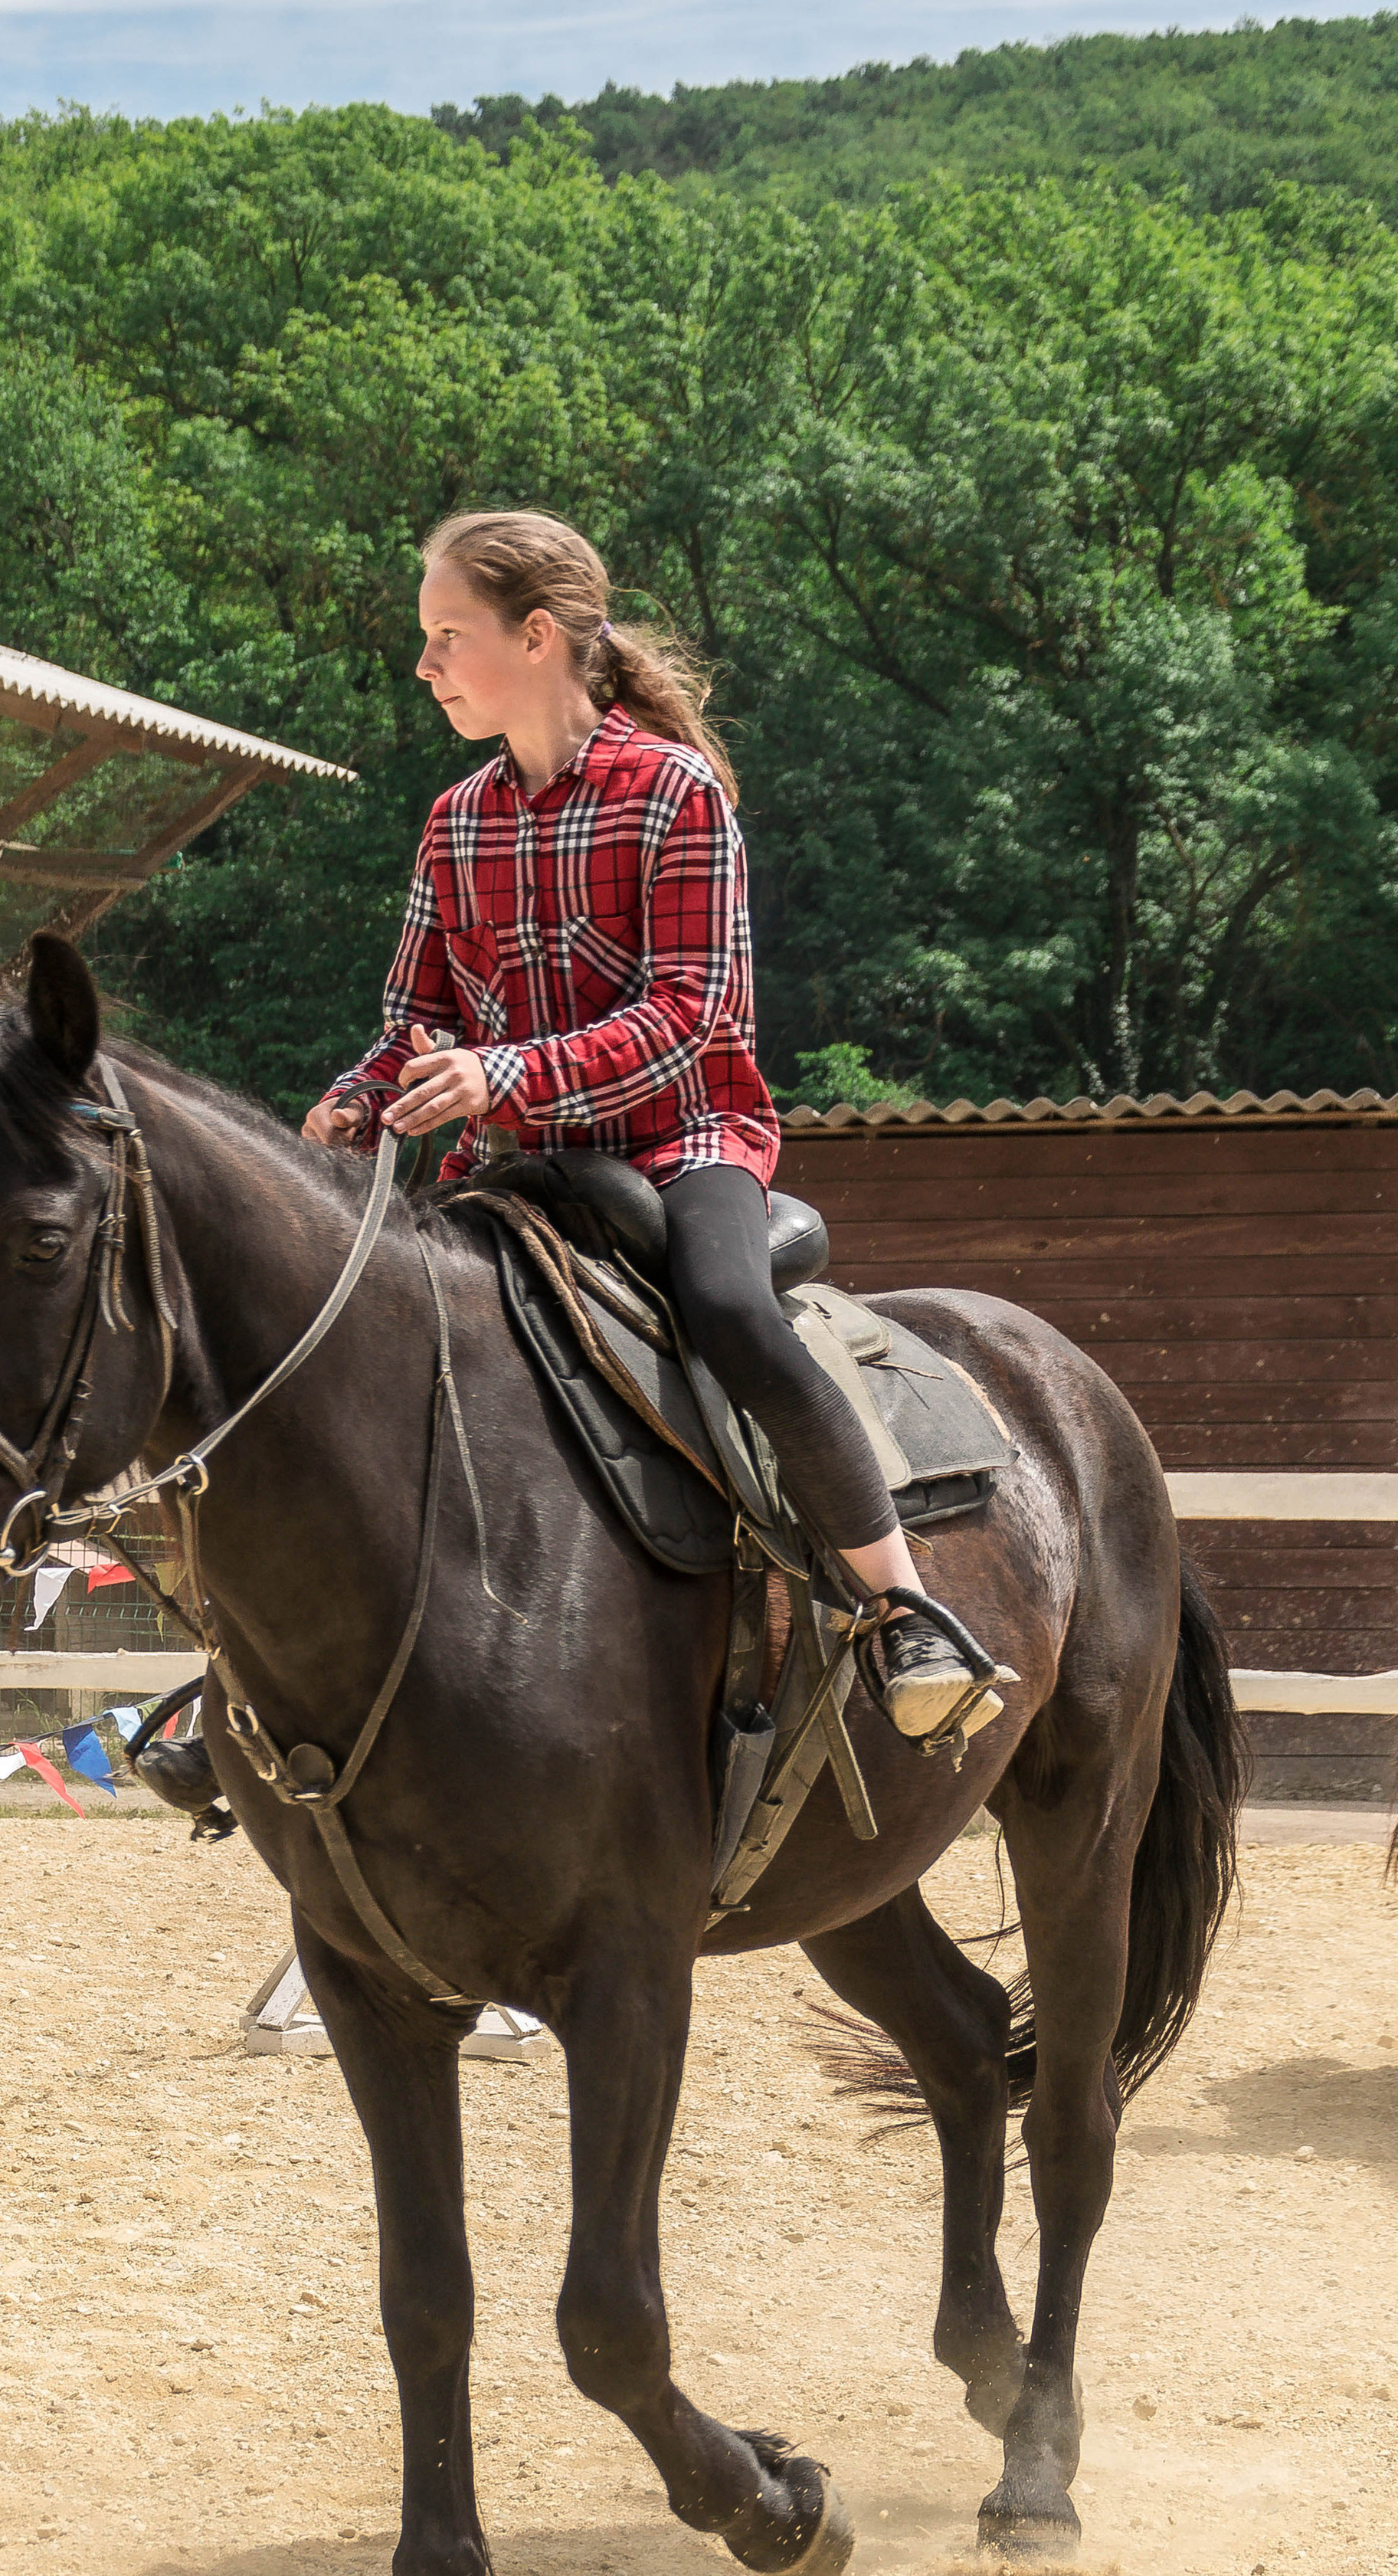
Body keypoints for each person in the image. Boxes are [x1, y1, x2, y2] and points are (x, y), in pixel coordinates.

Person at [303, 507, 998, 1741]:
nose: (424, 666)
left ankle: (902, 1614)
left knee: (730, 1311)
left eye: (445, 636)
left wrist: (501, 1076)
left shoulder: (675, 792)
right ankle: (268, 1662)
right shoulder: (453, 822)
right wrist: (361, 1097)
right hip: (508, 1168)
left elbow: (692, 1015)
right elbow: (411, 1016)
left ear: (538, 635)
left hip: (686, 1144)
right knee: (356, 1328)